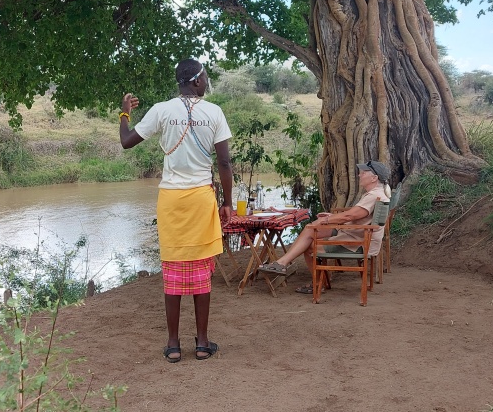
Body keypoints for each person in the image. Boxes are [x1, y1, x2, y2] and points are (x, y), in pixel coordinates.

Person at [119, 59, 234, 362]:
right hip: (200, 199)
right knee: (201, 272)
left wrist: (124, 113)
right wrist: (227, 202)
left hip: (171, 200)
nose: (207, 81)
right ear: (196, 82)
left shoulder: (161, 110)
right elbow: (224, 163)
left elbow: (127, 142)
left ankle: (172, 345)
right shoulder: (215, 112)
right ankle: (202, 342)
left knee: (172, 270)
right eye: (205, 77)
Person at [258, 161, 391, 293]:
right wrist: (331, 217)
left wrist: (327, 220)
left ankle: (317, 282)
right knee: (310, 228)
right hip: (356, 234)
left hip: (357, 242)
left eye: (363, 173)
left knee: (310, 247)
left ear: (374, 178)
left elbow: (349, 216)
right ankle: (282, 263)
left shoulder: (374, 195)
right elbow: (356, 215)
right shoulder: (375, 193)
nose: (359, 175)